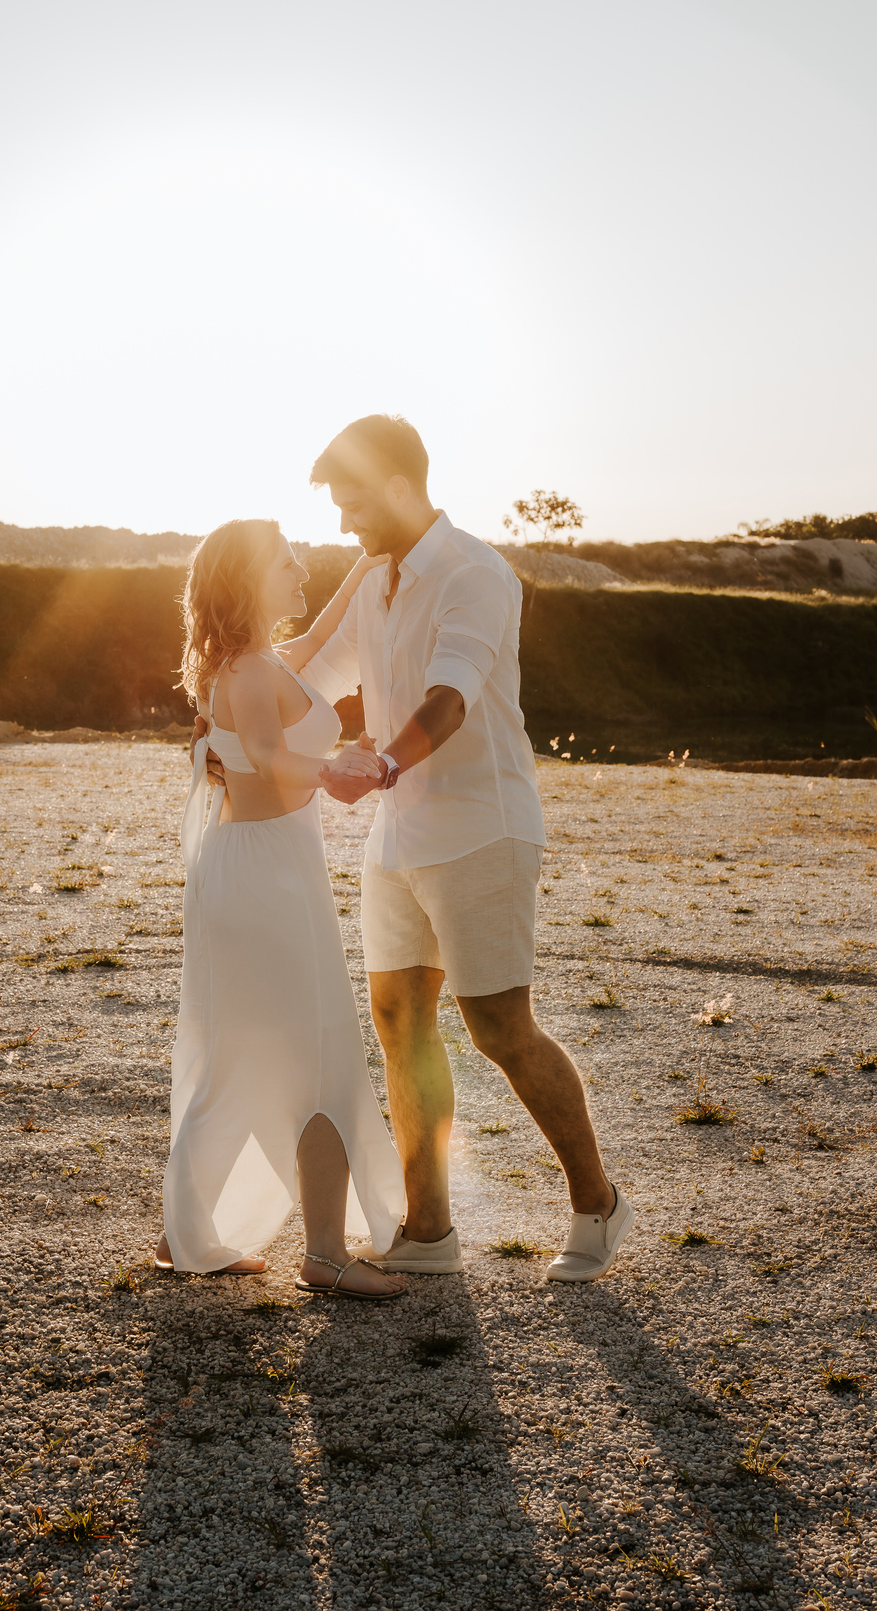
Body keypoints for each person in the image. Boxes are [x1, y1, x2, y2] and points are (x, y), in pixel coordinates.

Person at [299, 415, 634, 1284]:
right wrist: (235, 701)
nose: (345, 524)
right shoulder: (374, 581)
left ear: (404, 488)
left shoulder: (475, 573)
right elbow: (315, 681)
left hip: (483, 826)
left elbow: (449, 698)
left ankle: (598, 1203)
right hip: (398, 831)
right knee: (400, 1021)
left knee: (498, 1028)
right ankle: (430, 1230)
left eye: (355, 503)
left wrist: (379, 763)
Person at [155, 517, 407, 1300]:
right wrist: (333, 769)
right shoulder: (249, 674)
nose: (302, 571)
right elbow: (265, 755)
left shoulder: (257, 663)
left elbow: (325, 625)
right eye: (288, 563)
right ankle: (326, 1254)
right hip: (266, 880)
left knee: (239, 1053)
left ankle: (182, 1232)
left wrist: (370, 564)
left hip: (257, 872)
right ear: (249, 579)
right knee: (320, 1050)